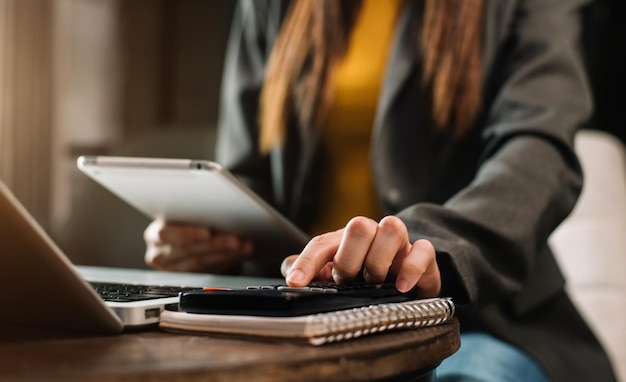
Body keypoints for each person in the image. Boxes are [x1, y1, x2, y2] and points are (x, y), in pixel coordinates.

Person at [143, 0, 617, 381]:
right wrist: (206, 231)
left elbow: (539, 151)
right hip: (303, 319)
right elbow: (252, 174)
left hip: (483, 325)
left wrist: (430, 245)